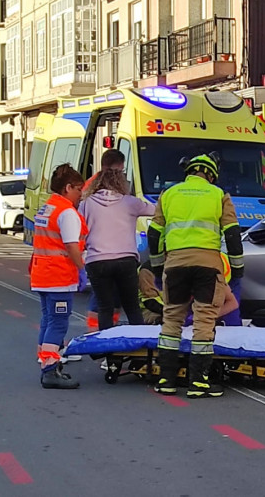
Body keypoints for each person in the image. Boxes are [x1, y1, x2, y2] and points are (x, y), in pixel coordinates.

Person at [147, 152, 244, 399]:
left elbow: (155, 234)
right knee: (204, 322)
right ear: (210, 174)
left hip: (176, 265)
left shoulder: (168, 194)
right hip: (208, 267)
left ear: (189, 171)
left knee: (171, 320)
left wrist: (158, 269)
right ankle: (198, 383)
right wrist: (238, 267)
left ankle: (166, 380)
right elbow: (232, 234)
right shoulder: (219, 195)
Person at [78, 161, 155, 331]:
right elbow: (156, 211)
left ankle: (107, 352)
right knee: (132, 307)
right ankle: (138, 345)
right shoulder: (130, 202)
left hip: (97, 261)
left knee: (104, 308)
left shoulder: (86, 204)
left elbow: (80, 231)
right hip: (125, 260)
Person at [30, 164, 87, 389]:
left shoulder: (48, 207)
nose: (81, 194)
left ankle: (46, 363)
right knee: (59, 323)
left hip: (42, 274)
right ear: (68, 187)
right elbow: (72, 246)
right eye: (79, 189)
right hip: (59, 276)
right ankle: (50, 370)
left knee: (48, 320)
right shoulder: (66, 213)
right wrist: (81, 268)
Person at [83, 149, 128, 329]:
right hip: (113, 254)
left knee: (106, 299)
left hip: (97, 255)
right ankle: (99, 341)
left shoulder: (90, 186)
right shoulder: (118, 188)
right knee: (105, 299)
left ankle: (101, 340)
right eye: (121, 169)